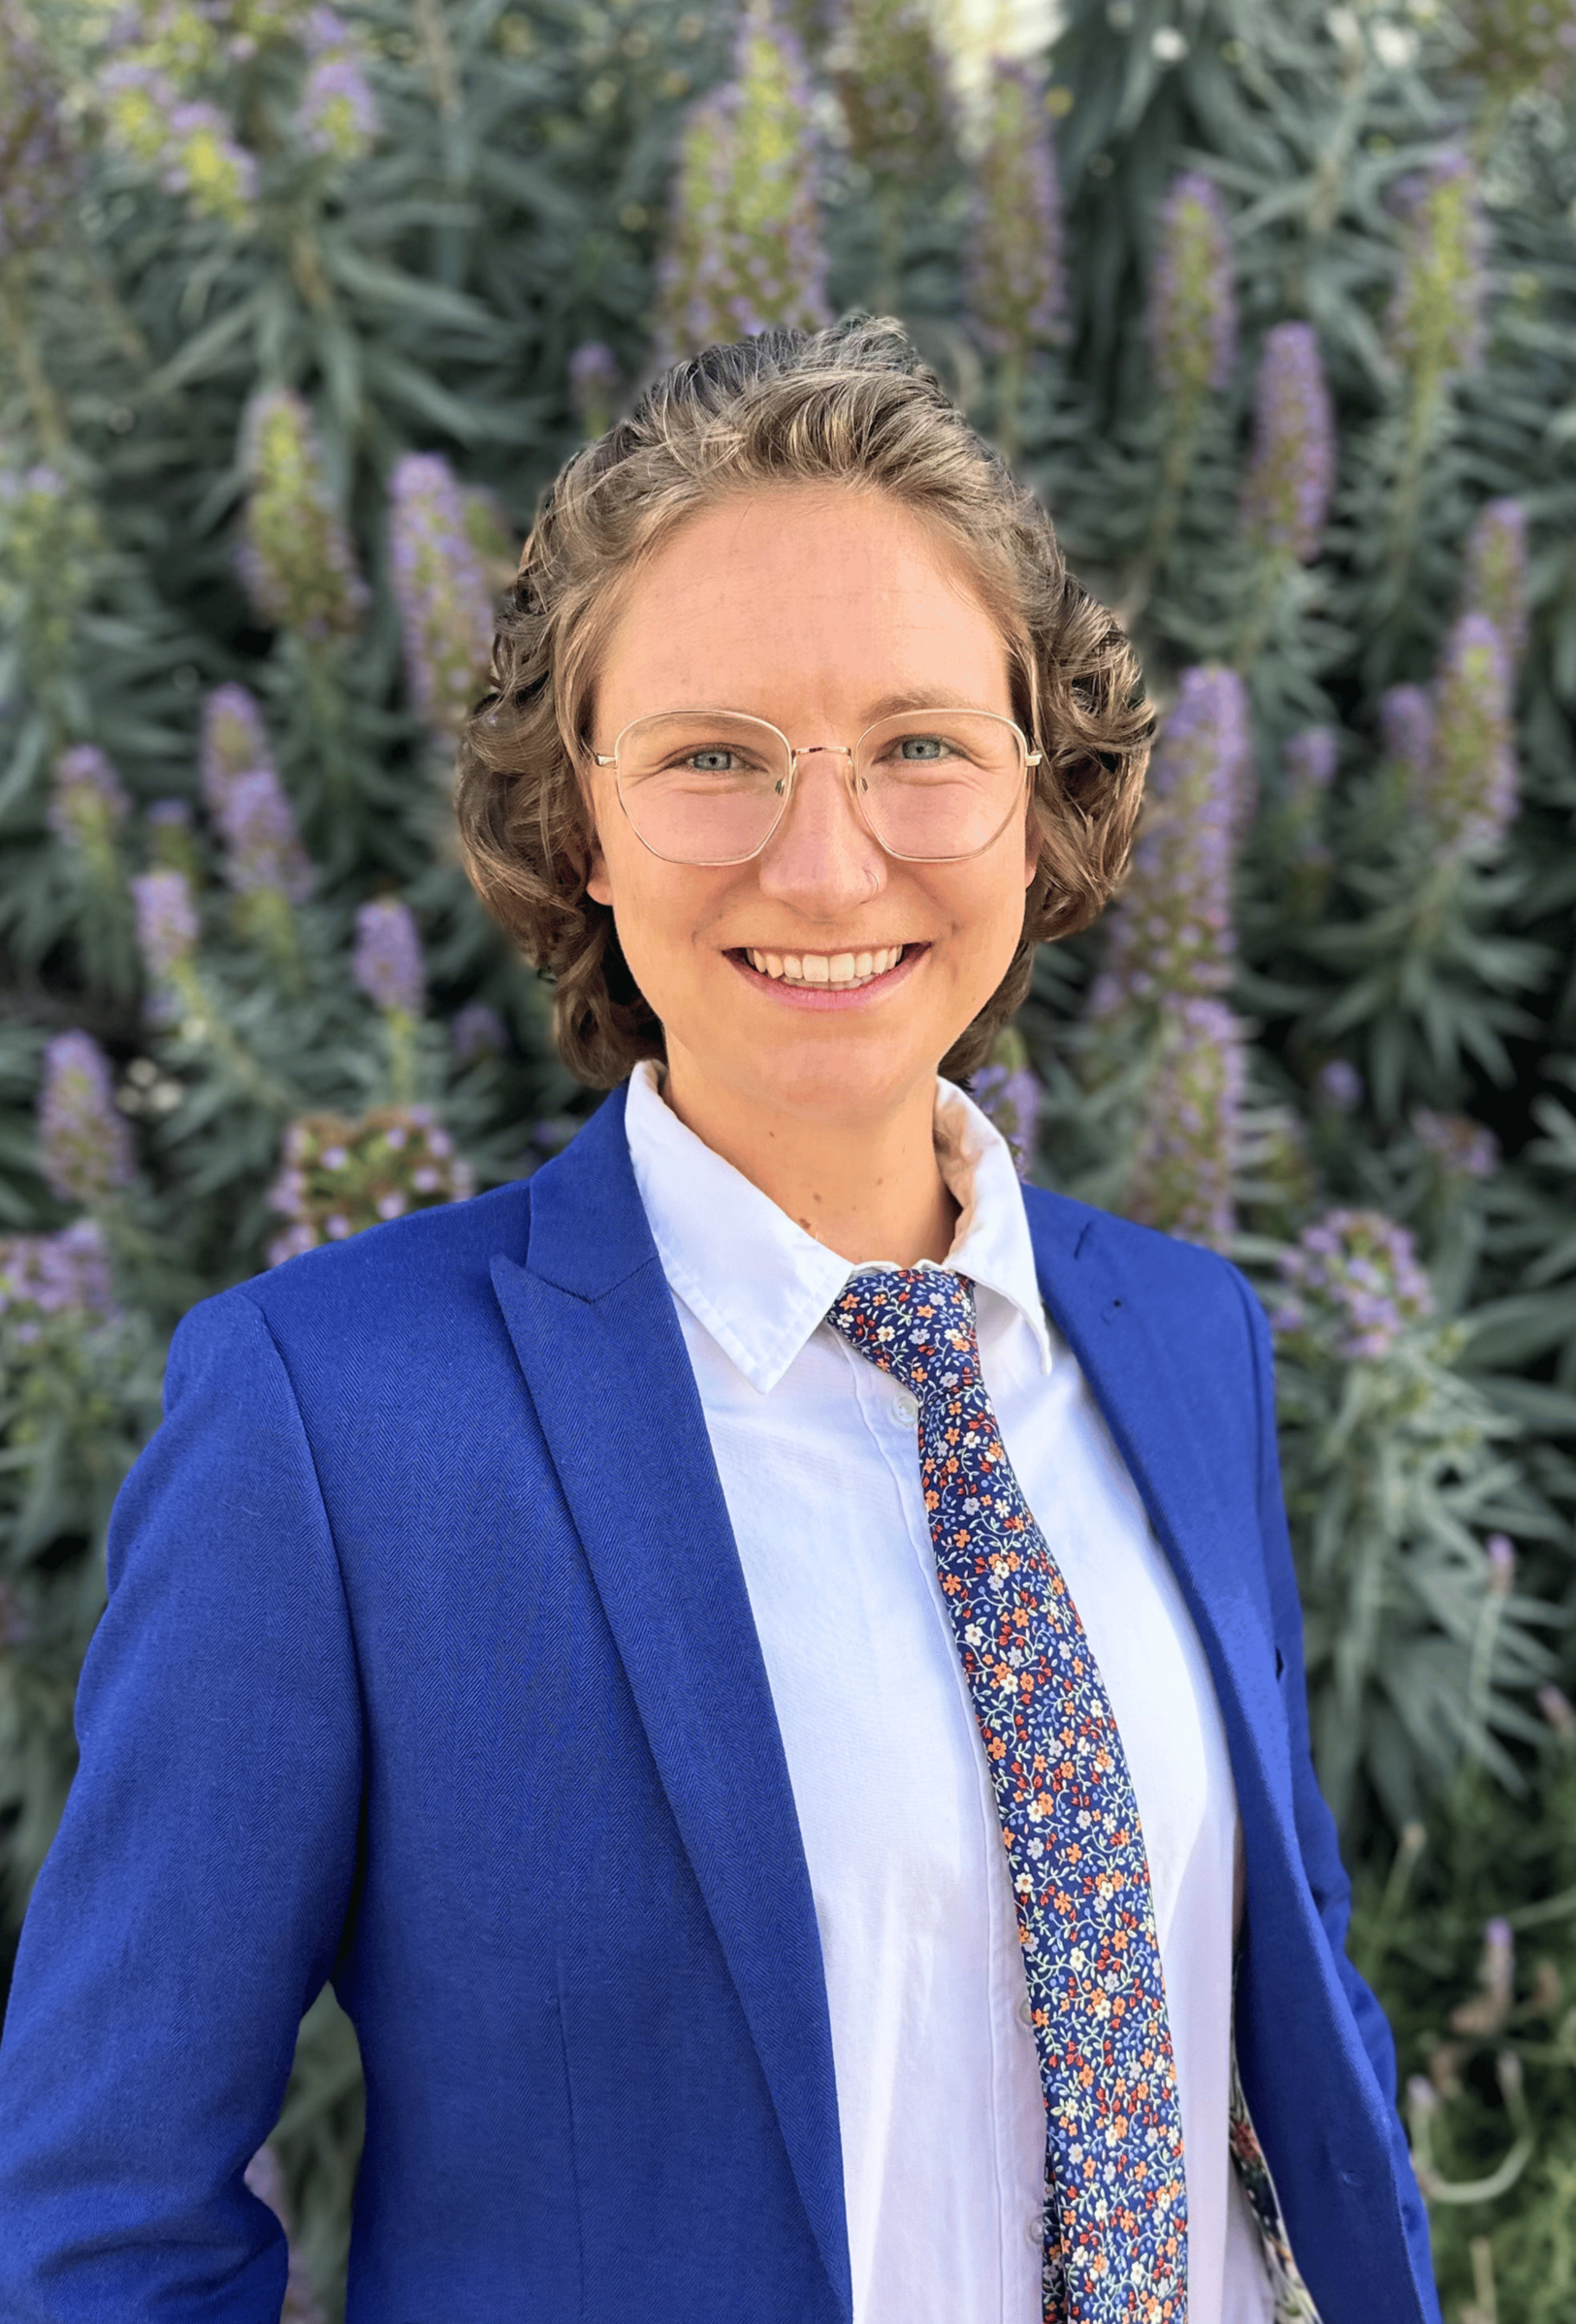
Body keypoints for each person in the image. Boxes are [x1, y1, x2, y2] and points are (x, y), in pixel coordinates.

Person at [0, 319, 1439, 2323]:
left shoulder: (1180, 1338)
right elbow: (98, 2219)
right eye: (711, 757)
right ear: (576, 821)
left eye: (922, 744)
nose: (825, 852)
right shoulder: (335, 1423)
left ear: (1043, 791)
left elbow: (1273, 2008)